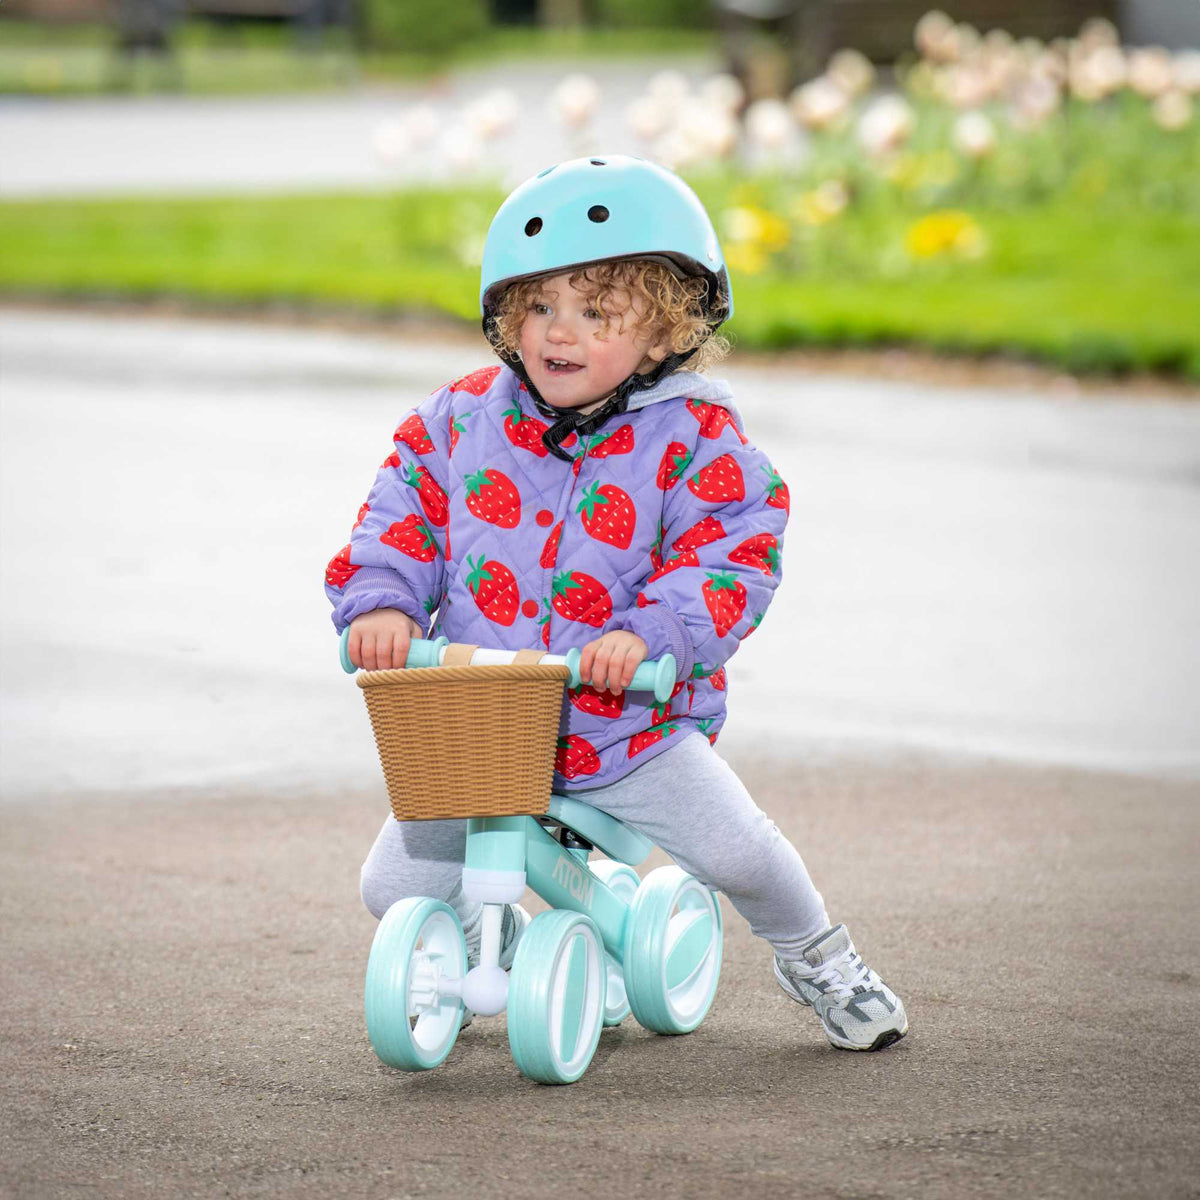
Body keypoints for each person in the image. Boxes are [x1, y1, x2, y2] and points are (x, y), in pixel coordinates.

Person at [325, 155, 907, 1051]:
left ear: (668, 334)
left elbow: (731, 550)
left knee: (738, 851)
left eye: (595, 313)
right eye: (538, 306)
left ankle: (820, 958)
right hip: (484, 713)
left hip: (623, 721)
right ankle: (492, 937)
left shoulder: (697, 439)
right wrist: (384, 601)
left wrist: (651, 635)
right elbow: (402, 508)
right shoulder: (460, 419)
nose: (558, 332)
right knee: (393, 885)